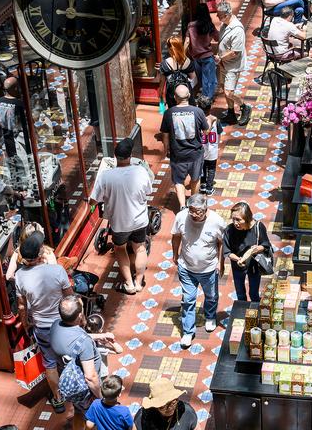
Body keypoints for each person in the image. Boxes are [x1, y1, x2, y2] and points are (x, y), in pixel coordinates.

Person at [15, 232, 74, 412]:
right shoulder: (56, 270)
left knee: (49, 363)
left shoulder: (20, 276)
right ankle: (75, 389)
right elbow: (69, 297)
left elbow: (22, 307)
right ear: (40, 254)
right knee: (71, 356)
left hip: (41, 327)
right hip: (63, 324)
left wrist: (25, 324)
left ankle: (58, 399)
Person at [92, 138, 152, 294]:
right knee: (139, 248)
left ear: (115, 156)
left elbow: (94, 199)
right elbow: (148, 191)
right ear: (130, 156)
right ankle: (139, 282)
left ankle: (129, 284)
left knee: (120, 249)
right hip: (140, 220)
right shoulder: (140, 171)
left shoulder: (106, 176)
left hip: (119, 223)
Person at [171, 195, 226, 347]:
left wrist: (221, 264)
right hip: (186, 267)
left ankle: (210, 316)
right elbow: (175, 236)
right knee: (188, 300)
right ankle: (188, 332)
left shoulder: (217, 221)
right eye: (191, 211)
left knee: (211, 295)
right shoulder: (181, 217)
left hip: (208, 268)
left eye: (197, 212)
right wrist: (175, 254)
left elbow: (222, 243)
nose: (194, 215)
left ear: (205, 209)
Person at [161, 85, 207, 210]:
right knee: (195, 178)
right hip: (195, 153)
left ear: (175, 97)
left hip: (177, 154)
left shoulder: (168, 113)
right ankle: (194, 202)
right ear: (189, 95)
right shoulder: (198, 112)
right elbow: (206, 131)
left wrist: (166, 149)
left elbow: (165, 135)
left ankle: (182, 206)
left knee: (178, 180)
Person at [52, 297, 101, 415]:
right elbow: (90, 377)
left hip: (72, 384)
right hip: (87, 389)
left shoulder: (55, 326)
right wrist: (101, 397)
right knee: (93, 417)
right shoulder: (84, 342)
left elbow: (72, 339)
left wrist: (101, 336)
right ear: (79, 316)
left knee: (78, 413)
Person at [223, 201, 272, 302]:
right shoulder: (229, 230)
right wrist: (238, 259)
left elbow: (266, 245)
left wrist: (259, 248)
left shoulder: (258, 227)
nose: (235, 223)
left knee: (253, 293)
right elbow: (227, 252)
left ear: (247, 218)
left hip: (254, 265)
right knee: (240, 293)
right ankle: (242, 311)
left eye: (238, 220)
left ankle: (255, 311)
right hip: (237, 266)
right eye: (233, 219)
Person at [214, 2, 252, 126]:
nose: (217, 17)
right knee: (224, 86)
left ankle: (244, 107)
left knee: (229, 92)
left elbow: (235, 52)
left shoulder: (237, 30)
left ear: (227, 15)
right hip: (224, 64)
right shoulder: (224, 25)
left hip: (233, 65)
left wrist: (220, 57)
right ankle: (231, 112)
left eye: (219, 15)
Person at [0, 75, 31, 186]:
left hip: (6, 138)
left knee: (11, 161)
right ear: (15, 88)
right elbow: (25, 123)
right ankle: (23, 184)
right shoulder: (18, 103)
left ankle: (16, 183)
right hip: (18, 139)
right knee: (22, 162)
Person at [133, 377, 197, 430]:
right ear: (155, 406)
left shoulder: (187, 412)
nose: (170, 408)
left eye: (173, 402)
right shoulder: (142, 416)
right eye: (163, 406)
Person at [185, 3, 218, 102]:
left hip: (196, 58)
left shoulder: (190, 25)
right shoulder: (209, 25)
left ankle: (204, 97)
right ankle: (207, 100)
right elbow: (218, 37)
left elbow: (187, 41)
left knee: (202, 80)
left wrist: (181, 55)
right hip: (207, 57)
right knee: (209, 80)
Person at [194, 95, 222, 195]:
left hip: (201, 149)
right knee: (211, 168)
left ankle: (202, 185)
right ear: (210, 107)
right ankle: (209, 188)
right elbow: (219, 133)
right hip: (213, 149)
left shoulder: (197, 120)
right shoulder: (216, 120)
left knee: (202, 167)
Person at [158, 36, 196, 109]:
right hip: (185, 91)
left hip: (171, 93)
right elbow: (193, 77)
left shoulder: (165, 63)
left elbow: (162, 82)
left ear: (169, 49)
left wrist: (161, 94)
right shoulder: (187, 61)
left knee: (173, 111)